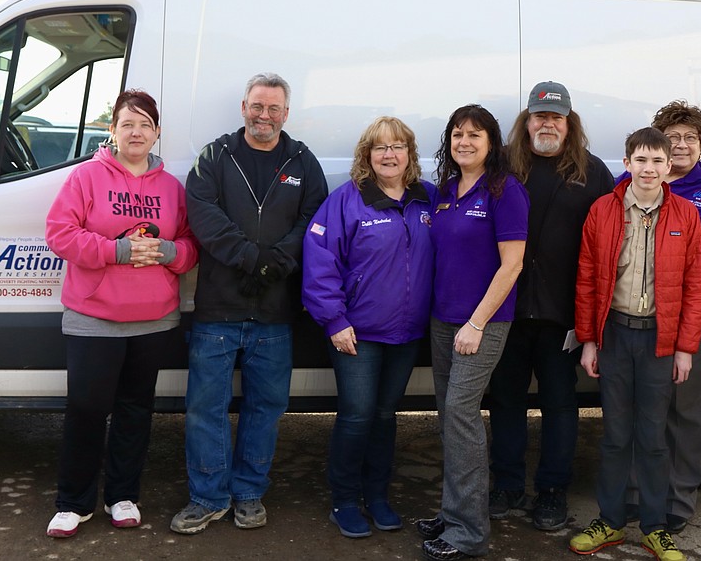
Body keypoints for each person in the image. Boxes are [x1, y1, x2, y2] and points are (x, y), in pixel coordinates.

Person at [171, 73, 328, 535]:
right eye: (257, 106)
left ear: (286, 113)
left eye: (274, 108)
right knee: (206, 408)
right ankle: (207, 496)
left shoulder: (302, 160)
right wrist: (251, 259)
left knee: (265, 408)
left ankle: (248, 493)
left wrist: (277, 262)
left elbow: (313, 219)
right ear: (243, 107)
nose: (264, 115)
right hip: (218, 309)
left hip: (276, 312)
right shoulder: (215, 157)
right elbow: (204, 216)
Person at [44, 89, 198, 538]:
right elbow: (60, 235)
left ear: (157, 134)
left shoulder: (172, 188)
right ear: (112, 130)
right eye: (127, 124)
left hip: (154, 318)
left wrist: (169, 250)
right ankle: (73, 503)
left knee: (135, 409)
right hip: (94, 316)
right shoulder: (86, 178)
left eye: (145, 125)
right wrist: (118, 250)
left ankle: (123, 496)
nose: (136, 132)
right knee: (88, 409)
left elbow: (190, 249)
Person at [568, 127, 701, 561]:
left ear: (670, 168)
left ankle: (654, 526)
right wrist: (589, 341)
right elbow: (587, 279)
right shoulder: (603, 211)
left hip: (659, 341)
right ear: (626, 164)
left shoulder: (686, 215)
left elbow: (695, 286)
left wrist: (685, 347)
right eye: (640, 161)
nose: (649, 169)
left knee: (653, 437)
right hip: (615, 336)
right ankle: (609, 521)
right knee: (614, 434)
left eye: (657, 162)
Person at [486, 82, 613, 531]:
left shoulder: (593, 172)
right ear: (527, 120)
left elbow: (607, 243)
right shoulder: (501, 167)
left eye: (556, 117)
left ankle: (553, 491)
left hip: (564, 312)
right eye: (539, 116)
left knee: (561, 404)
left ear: (569, 123)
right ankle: (506, 484)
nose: (547, 124)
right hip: (509, 308)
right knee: (505, 401)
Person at [302, 117, 436, 539]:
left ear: (410, 154)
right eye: (380, 148)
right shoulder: (347, 200)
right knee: (357, 416)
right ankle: (344, 499)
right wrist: (335, 320)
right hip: (356, 333)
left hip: (407, 333)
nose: (390, 154)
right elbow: (320, 262)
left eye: (398, 147)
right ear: (367, 155)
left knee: (384, 415)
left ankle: (377, 495)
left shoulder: (427, 199)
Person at [621, 101, 701, 533]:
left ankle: (678, 499)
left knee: (688, 405)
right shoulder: (631, 183)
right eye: (671, 138)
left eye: (689, 138)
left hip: (699, 307)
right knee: (643, 404)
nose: (679, 145)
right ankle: (637, 495)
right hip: (641, 309)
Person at [415, 104, 528, 561]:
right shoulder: (445, 191)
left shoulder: (506, 190)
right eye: (457, 134)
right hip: (442, 321)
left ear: (491, 143)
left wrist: (477, 322)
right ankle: (454, 512)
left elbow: (513, 264)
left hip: (481, 324)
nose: (464, 142)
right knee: (449, 418)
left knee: (461, 416)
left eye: (475, 135)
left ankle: (469, 532)